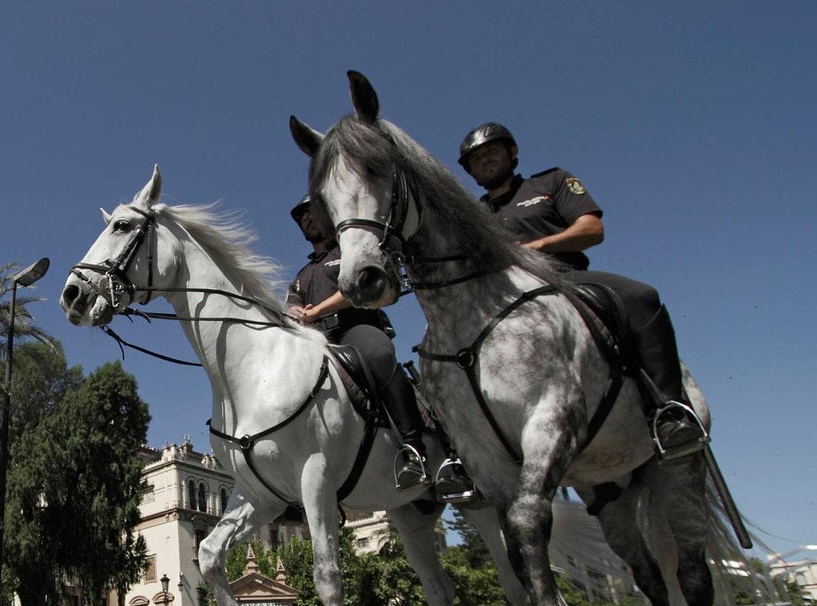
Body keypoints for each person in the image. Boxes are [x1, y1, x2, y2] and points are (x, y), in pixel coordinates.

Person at [458, 122, 706, 459]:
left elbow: (592, 228)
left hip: (565, 278)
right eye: (475, 160)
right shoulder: (474, 216)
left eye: (491, 152)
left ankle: (671, 410)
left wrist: (539, 245)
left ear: (512, 153)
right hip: (504, 297)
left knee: (641, 296)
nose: (484, 161)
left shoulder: (551, 181)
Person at [287, 194, 471, 493]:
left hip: (356, 327)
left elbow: (359, 288)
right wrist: (292, 311)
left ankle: (414, 449)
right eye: (302, 216)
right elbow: (292, 304)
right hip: (319, 340)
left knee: (379, 355)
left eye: (313, 213)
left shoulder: (350, 252)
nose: (307, 218)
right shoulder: (302, 275)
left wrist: (317, 311)